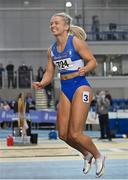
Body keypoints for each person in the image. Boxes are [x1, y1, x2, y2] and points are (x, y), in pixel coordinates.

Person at [32, 12, 105, 178]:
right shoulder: (51, 50)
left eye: (56, 23)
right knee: (63, 135)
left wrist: (85, 69)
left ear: (66, 26)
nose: (53, 26)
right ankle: (86, 155)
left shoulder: (76, 42)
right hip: (65, 89)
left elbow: (92, 61)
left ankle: (99, 156)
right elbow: (49, 73)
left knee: (76, 133)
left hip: (81, 87)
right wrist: (42, 83)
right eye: (51, 23)